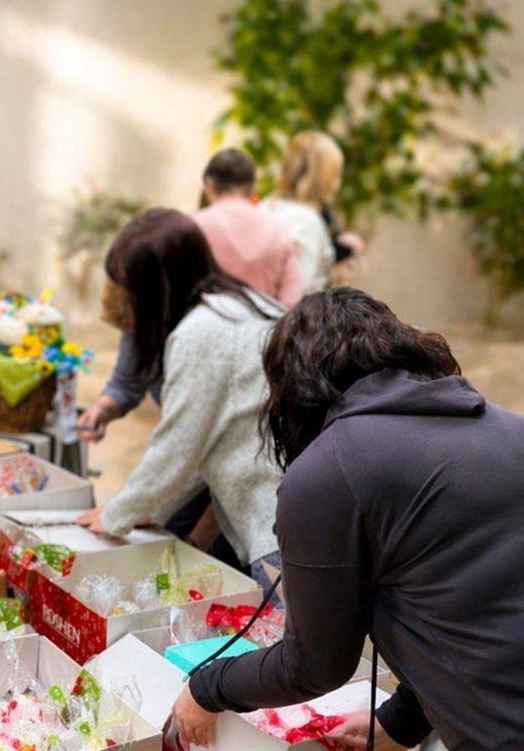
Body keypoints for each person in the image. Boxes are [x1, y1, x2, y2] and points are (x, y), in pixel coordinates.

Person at [171, 288, 524, 750]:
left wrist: (206, 689)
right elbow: (462, 605)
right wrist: (400, 722)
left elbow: (314, 664)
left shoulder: (330, 469)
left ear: (293, 387)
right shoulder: (507, 428)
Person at [76, 148, 300, 567]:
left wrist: (116, 514)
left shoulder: (202, 333)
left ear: (155, 287)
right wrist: (147, 509)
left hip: (276, 525)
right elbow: (202, 445)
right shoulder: (239, 303)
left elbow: (178, 443)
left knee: (282, 630)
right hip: (286, 513)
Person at [261, 131, 365, 293]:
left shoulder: (265, 206)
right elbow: (299, 288)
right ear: (326, 178)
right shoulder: (307, 221)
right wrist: (338, 276)